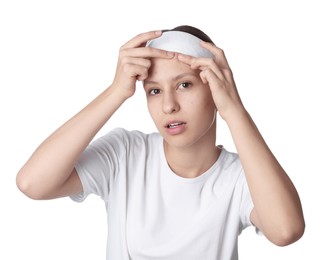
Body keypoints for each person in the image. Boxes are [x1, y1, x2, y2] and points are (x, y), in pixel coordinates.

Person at [16, 25, 305, 259]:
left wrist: (234, 110)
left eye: (184, 85)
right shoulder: (126, 154)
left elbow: (286, 230)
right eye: (154, 91)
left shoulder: (241, 178)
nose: (168, 106)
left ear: (216, 89)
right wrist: (116, 92)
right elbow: (33, 183)